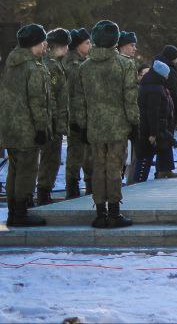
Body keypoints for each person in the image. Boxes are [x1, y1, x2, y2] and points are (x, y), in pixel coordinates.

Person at [70, 20, 138, 228]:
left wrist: (82, 124)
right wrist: (134, 123)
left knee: (98, 169)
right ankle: (114, 213)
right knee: (115, 169)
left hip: (95, 127)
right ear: (115, 41)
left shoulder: (84, 67)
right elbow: (130, 98)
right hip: (118, 126)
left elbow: (79, 100)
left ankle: (100, 213)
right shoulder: (125, 64)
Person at [0, 24, 52, 228]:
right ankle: (21, 213)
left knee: (14, 171)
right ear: (33, 44)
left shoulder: (12, 64)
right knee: (27, 172)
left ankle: (13, 212)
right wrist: (41, 128)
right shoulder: (32, 67)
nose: (45, 46)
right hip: (27, 129)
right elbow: (37, 101)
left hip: (10, 129)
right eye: (42, 42)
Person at [35, 28, 70, 205]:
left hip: (52, 121)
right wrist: (56, 121)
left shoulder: (53, 63)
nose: (67, 49)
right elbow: (52, 97)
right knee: (50, 159)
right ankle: (43, 192)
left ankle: (44, 191)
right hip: (51, 122)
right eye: (65, 46)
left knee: (51, 159)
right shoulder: (52, 66)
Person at [63, 28, 92, 198]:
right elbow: (72, 96)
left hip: (84, 117)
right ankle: (72, 189)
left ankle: (89, 185)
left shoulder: (83, 62)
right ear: (77, 45)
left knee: (88, 154)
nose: (90, 45)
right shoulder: (73, 65)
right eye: (87, 43)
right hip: (76, 119)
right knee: (76, 155)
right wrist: (75, 120)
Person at [134, 60, 174, 182]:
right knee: (145, 158)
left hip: (148, 127)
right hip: (148, 129)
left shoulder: (150, 85)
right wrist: (153, 133)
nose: (167, 77)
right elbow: (153, 113)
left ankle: (139, 182)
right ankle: (138, 184)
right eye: (166, 74)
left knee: (146, 157)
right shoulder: (154, 89)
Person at [152, 45, 177, 179]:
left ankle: (164, 168)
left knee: (164, 138)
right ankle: (164, 169)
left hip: (161, 106)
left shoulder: (156, 65)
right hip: (167, 108)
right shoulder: (168, 69)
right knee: (166, 138)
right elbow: (173, 91)